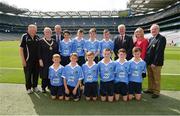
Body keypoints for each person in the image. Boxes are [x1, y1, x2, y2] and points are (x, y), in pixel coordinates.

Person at [144, 24, 166, 98]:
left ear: (158, 30)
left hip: (156, 63)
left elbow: (159, 52)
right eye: (152, 30)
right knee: (150, 77)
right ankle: (150, 89)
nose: (153, 31)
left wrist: (154, 63)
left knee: (156, 78)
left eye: (155, 29)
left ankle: (156, 92)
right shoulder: (151, 38)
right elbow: (148, 51)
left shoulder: (161, 38)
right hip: (149, 62)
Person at [19, 24, 40, 94]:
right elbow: (21, 49)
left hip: (36, 60)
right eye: (31, 29)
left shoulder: (37, 37)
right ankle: (28, 88)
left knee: (36, 74)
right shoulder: (24, 36)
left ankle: (35, 86)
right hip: (28, 60)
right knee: (28, 75)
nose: (32, 31)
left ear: (36, 30)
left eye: (34, 29)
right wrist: (23, 60)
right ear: (28, 30)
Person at [38, 27, 58, 93]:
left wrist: (57, 60)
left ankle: (50, 86)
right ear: (44, 33)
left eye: (49, 32)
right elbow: (39, 51)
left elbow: (56, 51)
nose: (47, 33)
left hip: (53, 61)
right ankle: (43, 87)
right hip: (44, 61)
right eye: (46, 32)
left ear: (51, 33)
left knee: (51, 74)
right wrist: (40, 60)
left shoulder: (54, 41)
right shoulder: (40, 41)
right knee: (44, 74)